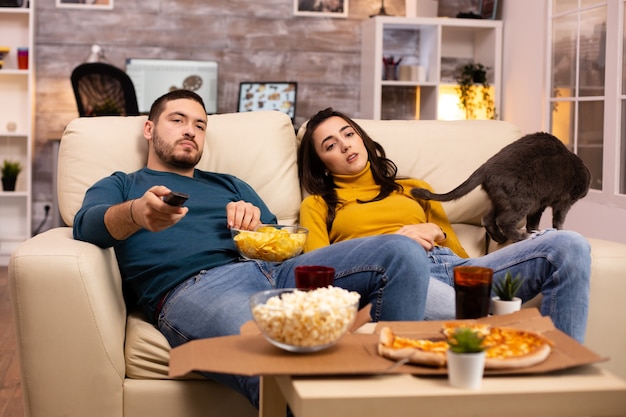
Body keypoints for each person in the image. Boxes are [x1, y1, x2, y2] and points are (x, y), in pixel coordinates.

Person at [72, 90, 431, 409]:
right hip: (194, 288)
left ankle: (392, 399)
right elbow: (86, 226)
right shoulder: (123, 184)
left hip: (275, 273)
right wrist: (137, 212)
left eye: (200, 125)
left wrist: (259, 227)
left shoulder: (230, 184)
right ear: (149, 129)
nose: (190, 131)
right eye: (177, 120)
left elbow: (286, 243)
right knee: (279, 360)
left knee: (401, 251)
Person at [297, 107, 591, 343]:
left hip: (455, 269)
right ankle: (505, 333)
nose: (345, 144)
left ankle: (562, 372)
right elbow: (320, 279)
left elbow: (460, 255)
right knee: (473, 319)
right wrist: (390, 247)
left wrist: (436, 230)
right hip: (399, 281)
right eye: (331, 145)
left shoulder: (414, 188)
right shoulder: (319, 205)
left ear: (361, 138)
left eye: (348, 133)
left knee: (569, 245)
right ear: (323, 163)